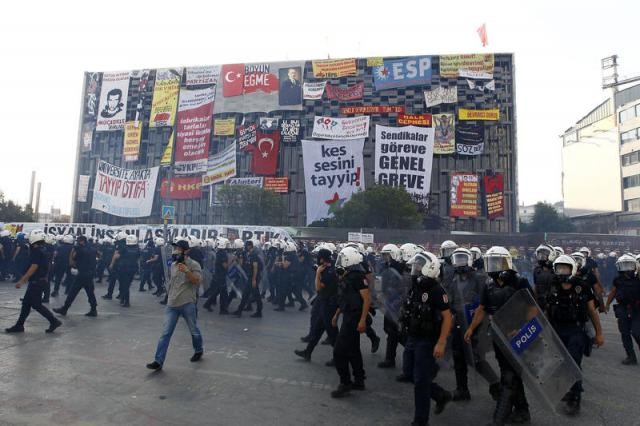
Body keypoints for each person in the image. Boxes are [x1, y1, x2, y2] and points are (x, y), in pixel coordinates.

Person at [464, 246, 531, 426]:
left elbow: (533, 309)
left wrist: (524, 329)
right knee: (511, 374)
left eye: (496, 262)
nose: (493, 266)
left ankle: (499, 419)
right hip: (498, 334)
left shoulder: (520, 282)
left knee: (509, 378)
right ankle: (522, 412)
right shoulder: (489, 285)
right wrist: (471, 328)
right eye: (490, 262)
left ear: (506, 262)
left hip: (518, 336)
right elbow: (482, 308)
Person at [546, 255, 604, 415]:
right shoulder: (553, 285)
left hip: (576, 330)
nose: (562, 271)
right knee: (560, 362)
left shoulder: (582, 286)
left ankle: (575, 398)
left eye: (565, 268)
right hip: (556, 329)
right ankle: (568, 390)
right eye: (559, 268)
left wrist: (599, 333)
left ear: (572, 268)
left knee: (573, 363)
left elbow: (592, 311)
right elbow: (545, 308)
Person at [401, 251, 453, 426]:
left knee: (420, 381)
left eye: (419, 266)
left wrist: (441, 342)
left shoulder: (437, 290)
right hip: (413, 337)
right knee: (408, 373)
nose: (415, 269)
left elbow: (447, 317)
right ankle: (440, 394)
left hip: (428, 340)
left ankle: (421, 420)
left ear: (429, 268)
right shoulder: (416, 287)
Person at [446, 247, 500, 402]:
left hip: (475, 323)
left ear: (469, 260)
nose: (460, 263)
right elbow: (451, 299)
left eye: (463, 259)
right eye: (457, 259)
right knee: (458, 356)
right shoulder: (453, 279)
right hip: (458, 321)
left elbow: (485, 301)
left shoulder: (479, 278)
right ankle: (462, 389)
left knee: (475, 358)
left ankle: (496, 385)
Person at [146, 238, 203, 371]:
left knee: (193, 330)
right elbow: (172, 283)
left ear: (186, 251)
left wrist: (187, 271)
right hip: (172, 304)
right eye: (175, 249)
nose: (175, 251)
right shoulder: (173, 264)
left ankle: (199, 349)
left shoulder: (194, 264)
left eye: (178, 249)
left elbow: (197, 281)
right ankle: (158, 361)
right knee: (165, 333)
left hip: (187, 303)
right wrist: (168, 297)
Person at [330, 246, 370, 398]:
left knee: (339, 352)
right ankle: (359, 379)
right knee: (353, 349)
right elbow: (346, 298)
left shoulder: (358, 276)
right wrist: (337, 314)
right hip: (348, 315)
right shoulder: (348, 275)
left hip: (354, 318)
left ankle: (345, 383)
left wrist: (362, 320)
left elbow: (366, 299)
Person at [5, 230, 62, 334]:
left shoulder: (37, 251)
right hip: (40, 280)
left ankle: (54, 321)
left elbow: (34, 267)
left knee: (36, 305)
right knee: (26, 304)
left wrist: (22, 280)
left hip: (37, 281)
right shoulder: (43, 250)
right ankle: (19, 325)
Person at [294, 247, 339, 362]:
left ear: (323, 259)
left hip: (329, 305)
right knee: (317, 330)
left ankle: (338, 358)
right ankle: (307, 352)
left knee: (333, 334)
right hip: (325, 304)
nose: (317, 259)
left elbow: (318, 288)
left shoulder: (329, 272)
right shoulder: (329, 267)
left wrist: (318, 273)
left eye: (319, 257)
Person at [605, 254, 640, 365]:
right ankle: (631, 356)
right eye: (625, 265)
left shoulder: (638, 279)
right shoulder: (618, 280)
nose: (627, 268)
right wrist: (607, 304)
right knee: (625, 333)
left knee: (636, 332)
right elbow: (613, 292)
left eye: (629, 265)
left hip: (637, 309)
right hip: (622, 308)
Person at [53, 235, 98, 317]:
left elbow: (72, 261)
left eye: (78, 241)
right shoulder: (92, 249)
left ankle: (64, 309)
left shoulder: (79, 250)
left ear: (82, 241)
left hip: (81, 274)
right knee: (90, 293)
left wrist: (73, 251)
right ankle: (93, 309)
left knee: (72, 292)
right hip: (90, 274)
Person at [377, 243, 406, 369]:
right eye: (384, 255)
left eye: (387, 255)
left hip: (396, 304)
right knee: (391, 331)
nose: (385, 258)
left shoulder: (400, 268)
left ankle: (412, 354)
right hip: (389, 302)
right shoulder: (387, 267)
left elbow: (401, 287)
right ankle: (390, 359)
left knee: (396, 332)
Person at [234, 240, 265, 318]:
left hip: (254, 277)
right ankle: (240, 311)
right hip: (251, 277)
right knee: (247, 294)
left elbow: (255, 267)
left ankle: (258, 311)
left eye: (246, 246)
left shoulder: (253, 255)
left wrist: (254, 280)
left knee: (255, 295)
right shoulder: (250, 254)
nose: (245, 247)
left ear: (250, 246)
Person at [111, 234, 140, 308]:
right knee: (127, 285)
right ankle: (123, 299)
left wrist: (112, 263)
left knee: (124, 285)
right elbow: (139, 259)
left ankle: (126, 301)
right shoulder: (137, 248)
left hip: (123, 269)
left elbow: (116, 256)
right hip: (133, 269)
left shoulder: (124, 248)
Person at [533, 244, 557, 311]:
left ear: (551, 255)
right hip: (539, 303)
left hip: (552, 303)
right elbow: (535, 286)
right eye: (540, 254)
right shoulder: (536, 270)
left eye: (544, 254)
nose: (541, 256)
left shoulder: (556, 271)